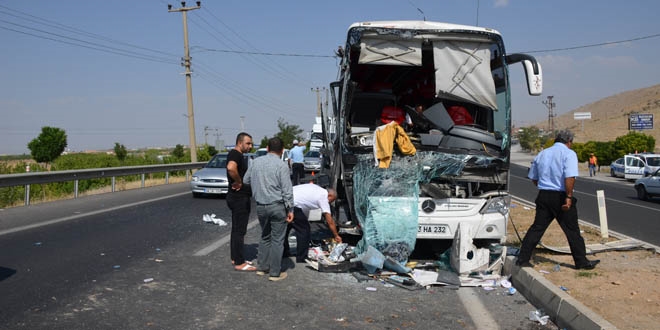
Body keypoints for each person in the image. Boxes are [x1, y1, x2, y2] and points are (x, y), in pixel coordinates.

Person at [516, 130, 600, 270]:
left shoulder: (542, 153)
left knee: (537, 228)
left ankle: (523, 259)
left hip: (543, 195)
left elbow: (533, 178)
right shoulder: (569, 154)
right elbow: (570, 177)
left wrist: (545, 187)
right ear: (569, 142)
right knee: (572, 230)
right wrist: (568, 197)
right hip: (560, 196)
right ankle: (581, 262)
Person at [244, 137, 294, 281]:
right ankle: (275, 273)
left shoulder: (255, 163)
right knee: (278, 239)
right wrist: (291, 209)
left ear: (267, 148)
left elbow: (246, 180)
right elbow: (287, 190)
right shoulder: (282, 165)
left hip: (261, 206)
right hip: (277, 206)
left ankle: (261, 268)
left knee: (265, 236)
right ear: (282, 150)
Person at [284, 184, 342, 263]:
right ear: (330, 195)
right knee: (304, 230)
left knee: (286, 228)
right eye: (332, 200)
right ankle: (302, 257)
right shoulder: (323, 196)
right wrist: (336, 235)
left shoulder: (317, 189)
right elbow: (330, 220)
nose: (330, 202)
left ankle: (284, 252)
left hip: (285, 201)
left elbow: (304, 207)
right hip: (294, 204)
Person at [226, 132, 256, 272]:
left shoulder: (237, 155)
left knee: (236, 229)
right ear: (240, 142)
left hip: (236, 197)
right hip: (239, 198)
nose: (250, 146)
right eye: (248, 143)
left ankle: (235, 257)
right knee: (240, 230)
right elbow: (231, 168)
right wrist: (239, 181)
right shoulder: (235, 154)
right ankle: (239, 262)